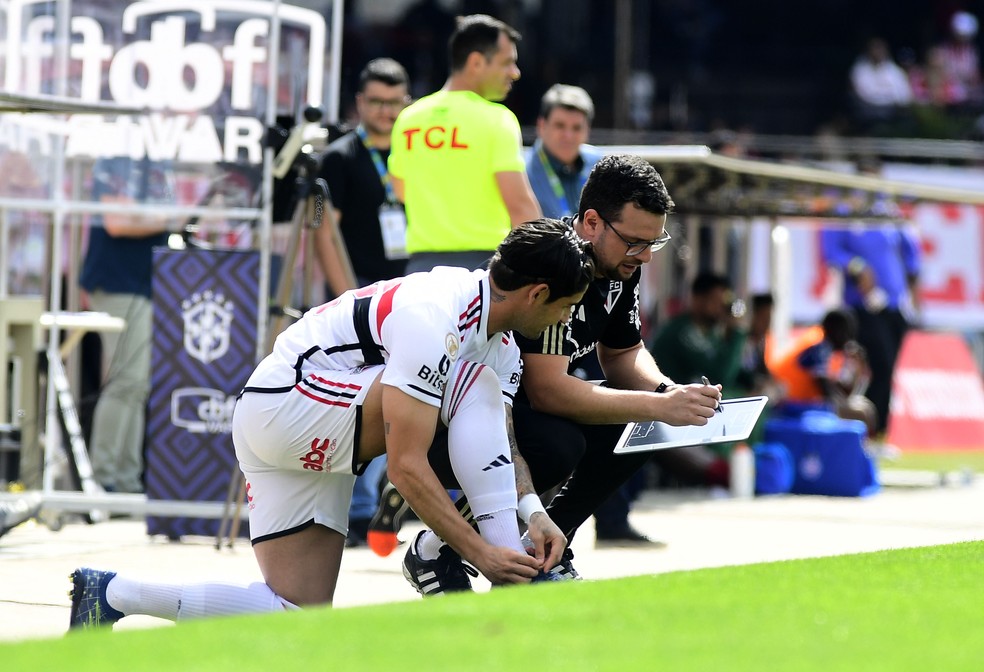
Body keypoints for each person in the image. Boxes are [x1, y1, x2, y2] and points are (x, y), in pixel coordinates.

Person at [67, 219, 595, 628]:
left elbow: (502, 438)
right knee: (470, 380)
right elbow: (407, 466)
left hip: (295, 425)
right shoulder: (438, 314)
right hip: (286, 408)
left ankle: (112, 594)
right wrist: (485, 553)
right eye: (568, 307)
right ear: (537, 294)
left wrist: (533, 511)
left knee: (299, 614)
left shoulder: (497, 341)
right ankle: (517, 573)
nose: (567, 320)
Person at [396, 155, 722, 594]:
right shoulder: (561, 266)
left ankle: (545, 549)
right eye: (634, 242)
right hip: (443, 418)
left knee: (642, 426)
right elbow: (547, 390)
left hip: (506, 408)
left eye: (653, 243)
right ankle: (443, 546)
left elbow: (624, 353)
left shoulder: (620, 264)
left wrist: (670, 394)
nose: (644, 255)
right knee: (559, 444)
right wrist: (659, 404)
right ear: (591, 223)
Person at [315, 57, 412, 548]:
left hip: (410, 291)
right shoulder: (338, 157)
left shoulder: (414, 153)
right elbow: (321, 229)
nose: (386, 111)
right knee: (356, 400)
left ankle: (380, 506)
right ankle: (352, 509)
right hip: (358, 298)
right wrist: (347, 297)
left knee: (404, 398)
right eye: (376, 101)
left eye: (395, 102)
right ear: (358, 103)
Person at [388, 13, 541, 274]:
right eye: (507, 63)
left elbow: (401, 191)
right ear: (476, 62)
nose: (515, 73)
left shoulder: (408, 118)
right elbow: (520, 207)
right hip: (482, 271)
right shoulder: (498, 119)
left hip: (420, 270)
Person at [79, 157, 174, 494]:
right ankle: (103, 478)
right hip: (117, 285)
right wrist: (166, 218)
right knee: (125, 383)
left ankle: (126, 479)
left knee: (136, 387)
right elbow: (116, 222)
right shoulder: (114, 162)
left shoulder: (159, 167)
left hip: (142, 286)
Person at [819, 177, 921, 438]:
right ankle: (866, 430)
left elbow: (911, 253)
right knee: (877, 364)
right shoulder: (845, 214)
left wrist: (913, 291)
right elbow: (831, 251)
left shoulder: (889, 213)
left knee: (888, 369)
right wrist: (856, 266)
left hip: (894, 305)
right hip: (862, 306)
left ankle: (881, 431)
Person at [768, 309, 878, 436]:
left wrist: (858, 369)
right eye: (846, 332)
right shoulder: (818, 344)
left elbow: (842, 391)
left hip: (802, 399)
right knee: (860, 413)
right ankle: (862, 449)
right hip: (790, 401)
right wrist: (845, 406)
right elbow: (825, 391)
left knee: (865, 407)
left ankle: (865, 447)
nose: (848, 339)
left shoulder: (826, 347)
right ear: (835, 330)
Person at [650, 272, 747, 392]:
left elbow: (731, 370)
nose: (721, 308)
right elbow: (720, 377)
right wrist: (737, 333)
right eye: (716, 301)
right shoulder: (682, 331)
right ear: (698, 299)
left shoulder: (709, 332)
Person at [525, 84, 603, 220]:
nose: (568, 135)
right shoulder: (522, 171)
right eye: (560, 126)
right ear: (541, 126)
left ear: (587, 130)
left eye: (577, 127)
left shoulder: (600, 167)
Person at [849, 37, 913, 132]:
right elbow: (866, 95)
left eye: (880, 48)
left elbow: (905, 95)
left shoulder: (894, 70)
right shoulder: (860, 69)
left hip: (893, 112)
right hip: (867, 112)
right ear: (869, 50)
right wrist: (887, 96)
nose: (878, 52)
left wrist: (886, 98)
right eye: (875, 48)